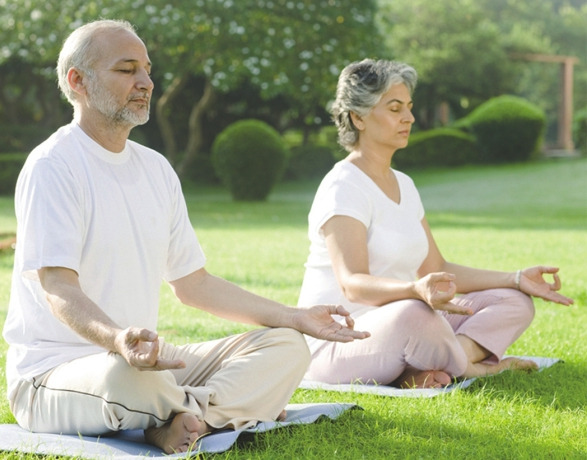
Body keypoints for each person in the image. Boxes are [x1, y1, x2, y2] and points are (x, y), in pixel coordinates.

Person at [2, 20, 370, 455]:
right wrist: (118, 341)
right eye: (127, 70)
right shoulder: (53, 166)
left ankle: (181, 418)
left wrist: (295, 316)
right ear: (77, 81)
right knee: (125, 379)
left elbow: (194, 284)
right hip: (57, 373)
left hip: (147, 364)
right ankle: (221, 410)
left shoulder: (156, 169)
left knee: (287, 346)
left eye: (147, 69)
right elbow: (58, 287)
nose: (146, 82)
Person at [297, 59, 574, 389]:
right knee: (415, 313)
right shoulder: (344, 186)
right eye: (395, 108)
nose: (410, 118)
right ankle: (474, 368)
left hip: (405, 322)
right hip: (340, 340)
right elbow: (352, 284)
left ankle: (440, 361)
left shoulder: (405, 184)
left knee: (511, 301)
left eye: (409, 107)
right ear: (358, 117)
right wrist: (414, 291)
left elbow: (436, 266)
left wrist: (515, 279)